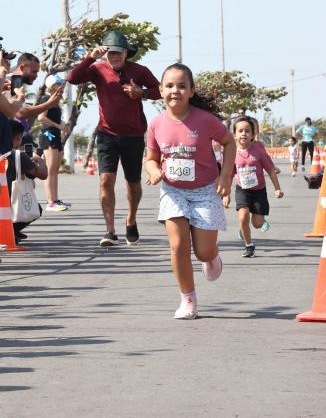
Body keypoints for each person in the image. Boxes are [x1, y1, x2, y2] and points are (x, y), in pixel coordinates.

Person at [145, 63, 236, 320]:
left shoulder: (205, 120)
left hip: (205, 190)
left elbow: (228, 142)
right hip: (173, 191)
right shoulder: (156, 124)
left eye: (182, 86)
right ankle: (188, 299)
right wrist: (153, 171)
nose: (176, 91)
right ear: (161, 91)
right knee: (178, 246)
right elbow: (151, 158)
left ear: (192, 91)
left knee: (203, 251)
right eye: (170, 86)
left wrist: (225, 176)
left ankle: (212, 257)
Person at [68, 30, 161, 246]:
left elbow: (160, 90)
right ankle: (109, 230)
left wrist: (142, 93)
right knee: (106, 179)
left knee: (133, 183)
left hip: (134, 135)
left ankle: (131, 219)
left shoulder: (139, 70)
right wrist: (90, 56)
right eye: (110, 53)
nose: (114, 57)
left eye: (118, 53)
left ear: (126, 53)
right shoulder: (97, 69)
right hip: (107, 134)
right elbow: (73, 78)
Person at [223, 116, 284, 258]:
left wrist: (277, 188)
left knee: (256, 224)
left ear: (252, 135)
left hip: (259, 191)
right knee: (243, 217)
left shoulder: (258, 150)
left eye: (247, 131)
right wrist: (226, 195)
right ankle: (249, 245)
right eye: (240, 131)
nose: (243, 133)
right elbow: (229, 175)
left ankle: (255, 224)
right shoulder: (231, 152)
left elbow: (270, 170)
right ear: (235, 134)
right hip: (242, 190)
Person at [6, 120, 47, 243]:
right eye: (19, 138)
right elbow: (43, 175)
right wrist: (40, 160)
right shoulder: (19, 156)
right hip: (10, 205)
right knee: (35, 208)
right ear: (18, 138)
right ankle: (11, 231)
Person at [38, 75, 70, 211]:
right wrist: (58, 126)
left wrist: (64, 125)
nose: (62, 86)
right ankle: (50, 202)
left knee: (55, 170)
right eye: (59, 84)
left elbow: (57, 119)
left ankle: (55, 200)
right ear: (52, 85)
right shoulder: (46, 99)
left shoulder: (56, 101)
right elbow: (41, 118)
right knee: (50, 170)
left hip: (56, 135)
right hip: (48, 135)